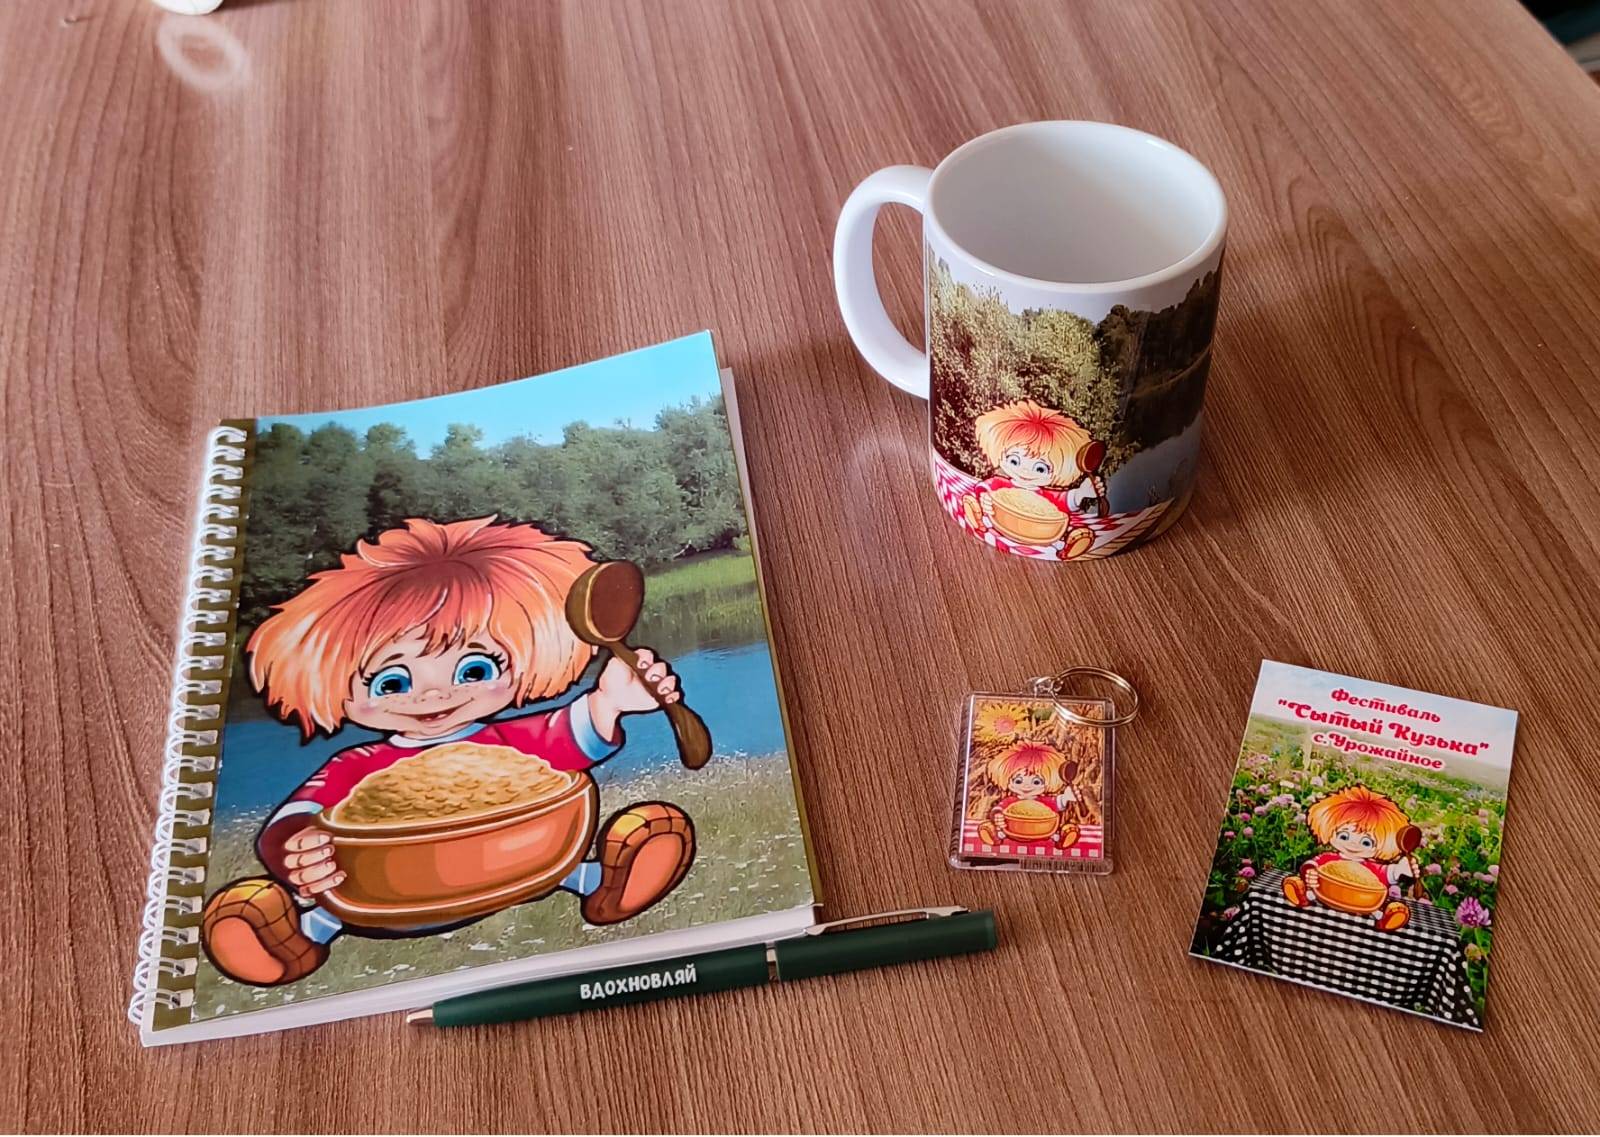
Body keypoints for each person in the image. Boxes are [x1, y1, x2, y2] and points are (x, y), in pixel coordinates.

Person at [200, 516, 695, 987]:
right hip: (392, 894)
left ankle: (604, 884)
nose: (434, 695)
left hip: (518, 867)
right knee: (336, 904)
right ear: (333, 685)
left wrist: (609, 702)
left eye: (474, 670)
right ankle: (293, 941)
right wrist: (299, 850)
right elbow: (299, 816)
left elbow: (563, 736)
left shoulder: (506, 746)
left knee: (563, 856)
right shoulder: (359, 768)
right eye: (392, 682)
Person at [958, 399, 1106, 559]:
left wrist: (1081, 493)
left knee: (1056, 536)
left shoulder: (1045, 498)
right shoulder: (1001, 485)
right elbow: (986, 487)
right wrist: (985, 498)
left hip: (1037, 532)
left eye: (1040, 468)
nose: (1025, 471)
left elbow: (1063, 500)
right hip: (998, 520)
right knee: (986, 516)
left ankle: (1066, 547)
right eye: (1014, 460)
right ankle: (979, 520)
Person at [1282, 785, 1415, 931]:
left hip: (1361, 902)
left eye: (1366, 842)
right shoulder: (1329, 859)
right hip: (1325, 893)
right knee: (1311, 894)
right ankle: (1302, 897)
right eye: (1344, 836)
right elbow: (1313, 864)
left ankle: (1386, 919)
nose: (1353, 844)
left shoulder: (1371, 868)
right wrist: (1310, 872)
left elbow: (1389, 873)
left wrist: (1401, 869)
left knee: (1375, 910)